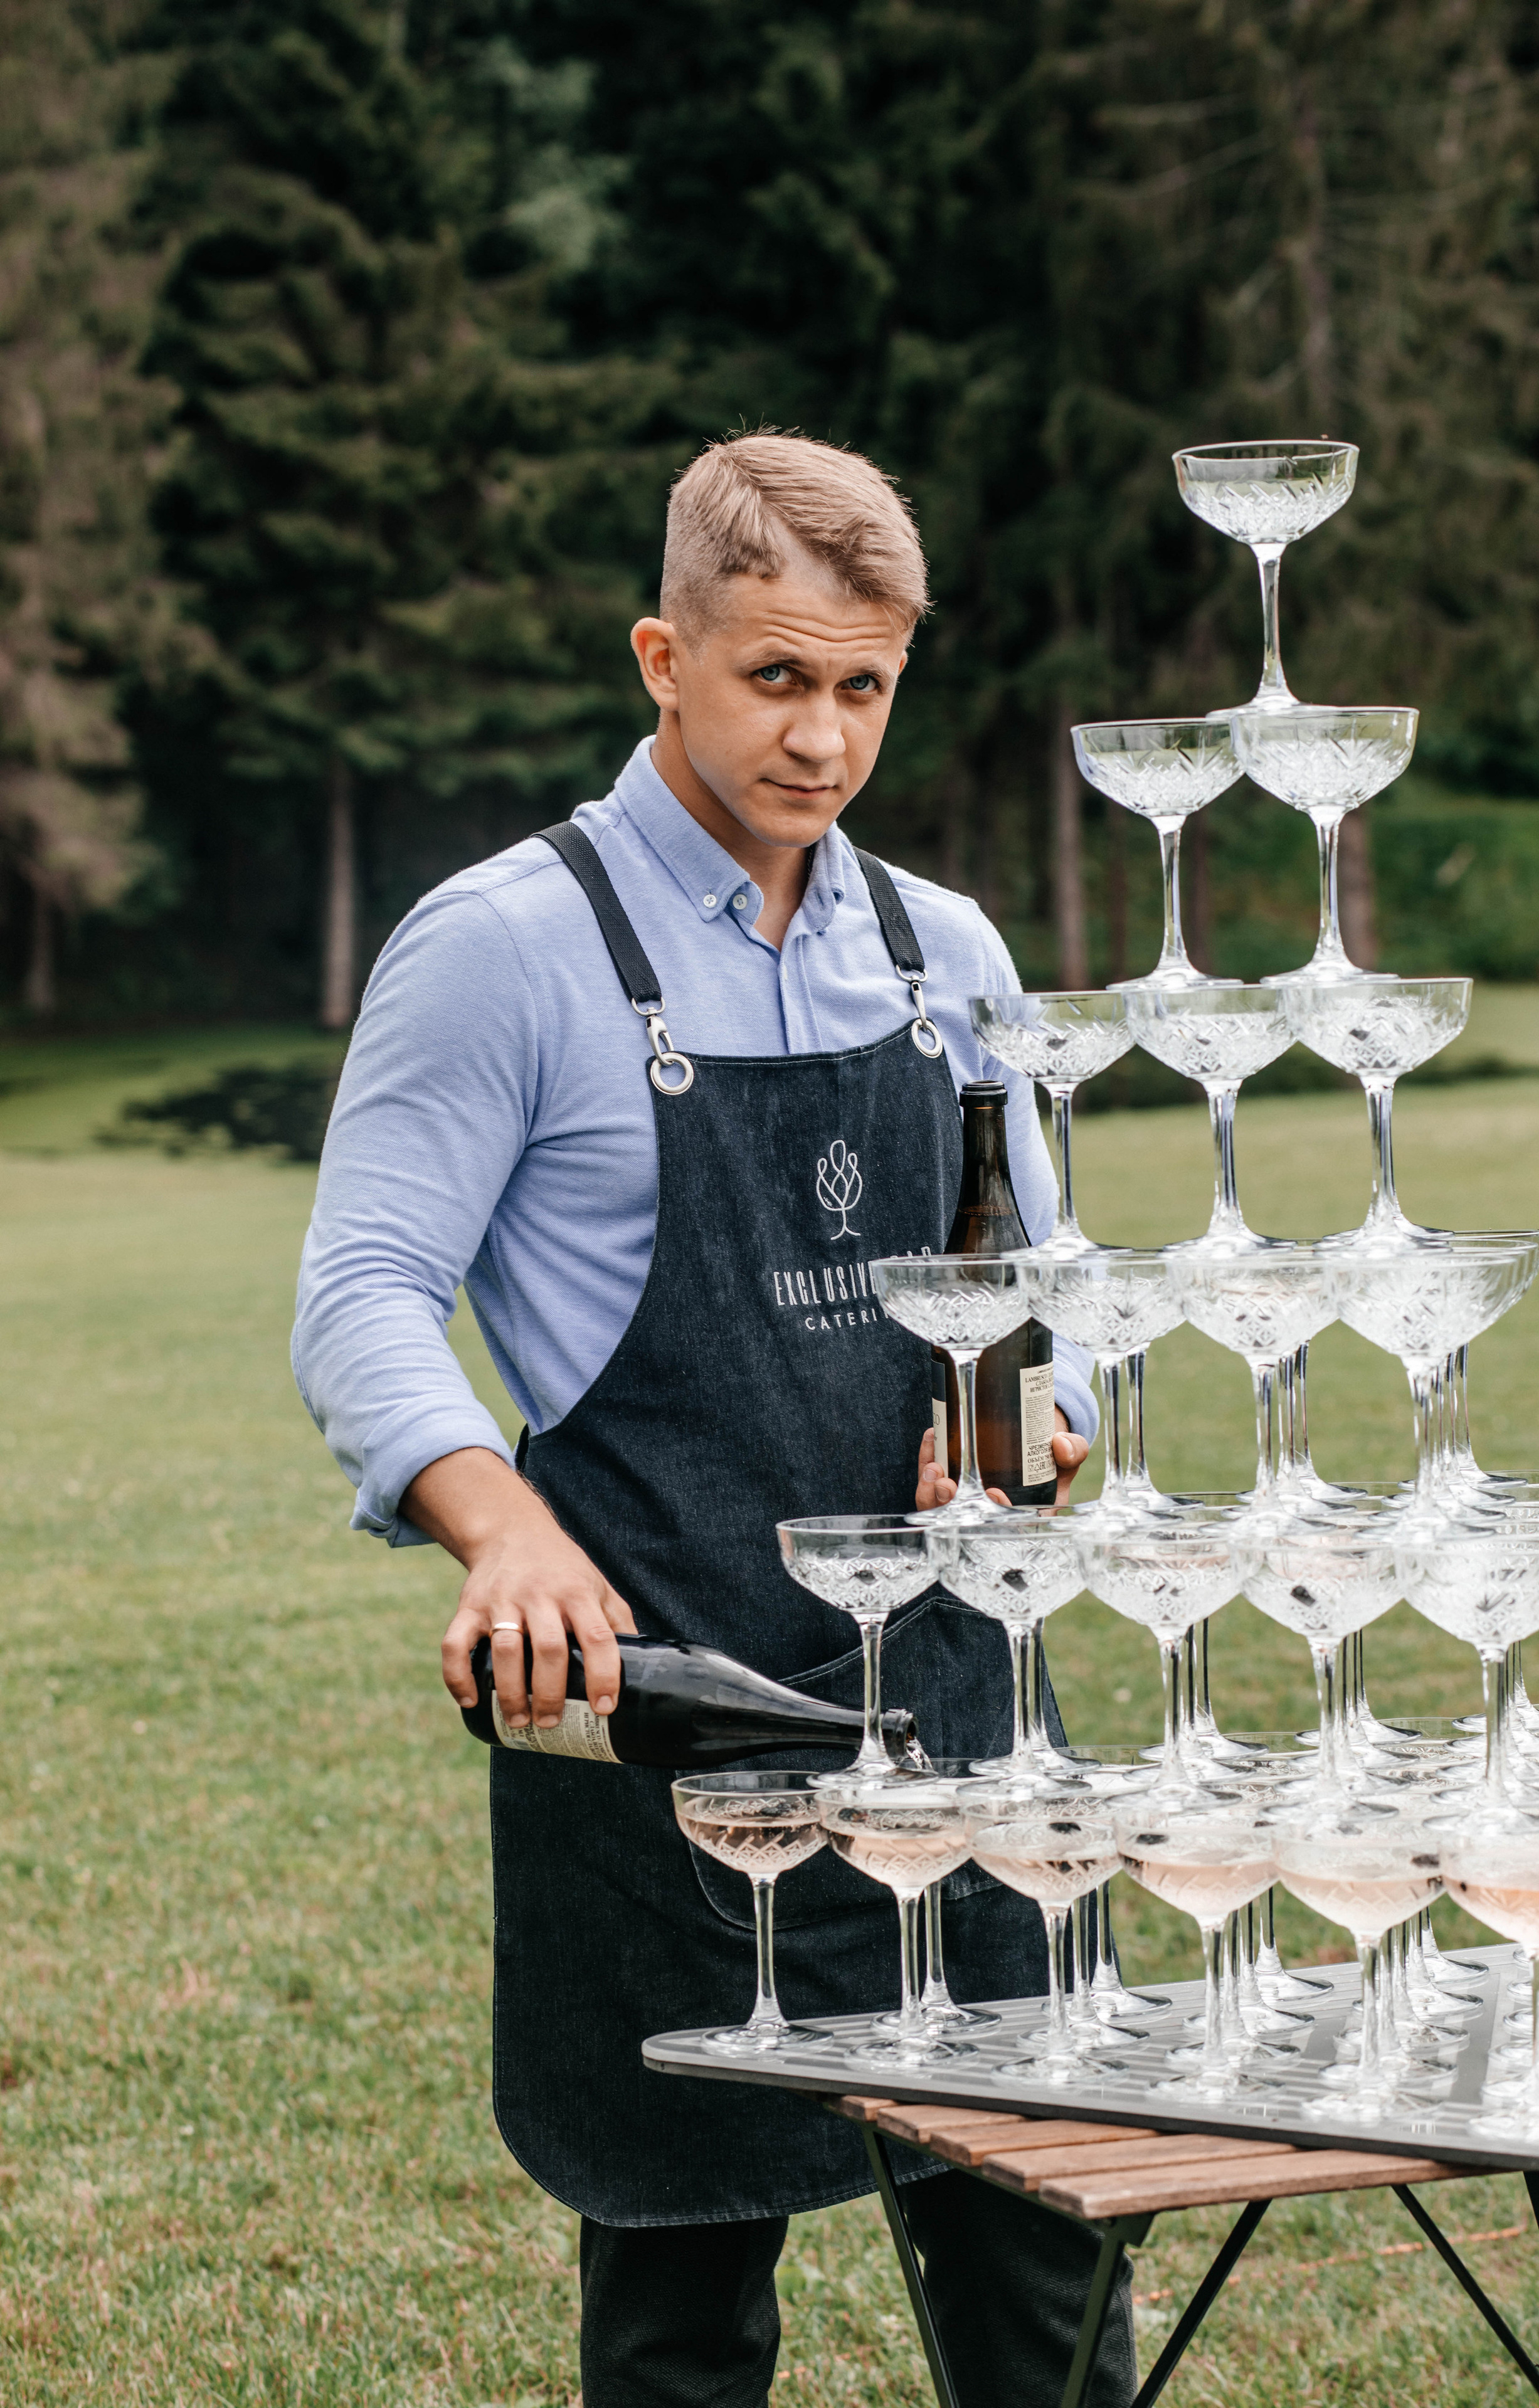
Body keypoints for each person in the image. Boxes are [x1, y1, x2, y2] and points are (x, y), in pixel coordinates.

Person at [294, 432, 1134, 2407]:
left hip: (967, 1719)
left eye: (864, 686)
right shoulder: (502, 946)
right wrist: (498, 1525)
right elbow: (361, 1297)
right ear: (664, 654)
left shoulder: (954, 956)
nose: (823, 739)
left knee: (1052, 2287)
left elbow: (1051, 1295)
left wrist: (1038, 1414)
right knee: (683, 2321)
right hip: (675, 1720)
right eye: (775, 677)